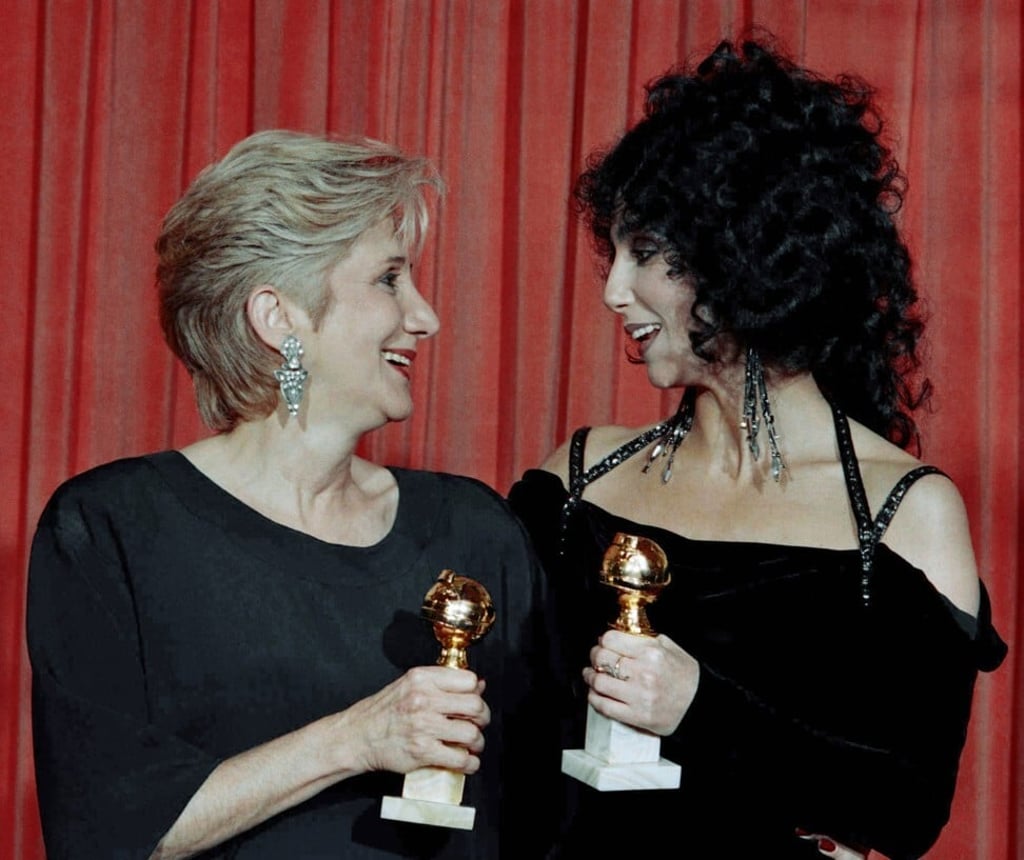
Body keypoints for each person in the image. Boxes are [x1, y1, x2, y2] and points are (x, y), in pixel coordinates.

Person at [508, 37, 1006, 860]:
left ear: (744, 257)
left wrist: (698, 707)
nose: (611, 291)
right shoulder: (578, 476)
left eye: (647, 254)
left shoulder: (900, 513)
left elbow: (909, 807)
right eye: (615, 252)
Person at [27, 130, 555, 859]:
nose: (425, 317)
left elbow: (539, 809)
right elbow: (107, 832)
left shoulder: (474, 529)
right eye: (388, 280)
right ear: (278, 318)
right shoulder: (113, 529)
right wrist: (359, 737)